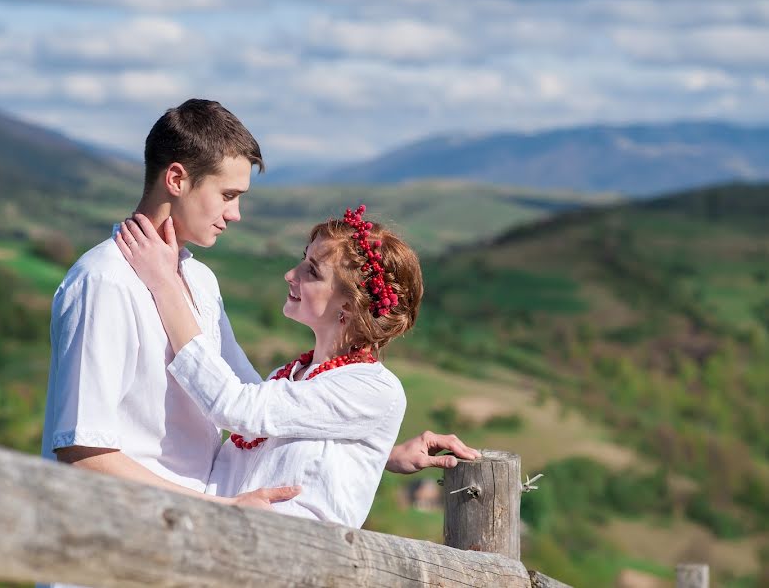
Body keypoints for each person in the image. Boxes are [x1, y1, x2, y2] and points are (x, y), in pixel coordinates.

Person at [40, 99, 479, 515]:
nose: (236, 214)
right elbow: (81, 453)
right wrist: (219, 510)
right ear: (176, 179)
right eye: (228, 194)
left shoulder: (200, 282)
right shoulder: (105, 281)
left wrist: (374, 446)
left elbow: (249, 407)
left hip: (191, 543)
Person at [115, 205, 439, 526]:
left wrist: (164, 284)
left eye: (311, 270)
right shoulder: (295, 376)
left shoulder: (374, 389)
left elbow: (235, 406)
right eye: (303, 259)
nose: (290, 274)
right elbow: (229, 371)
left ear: (350, 306)